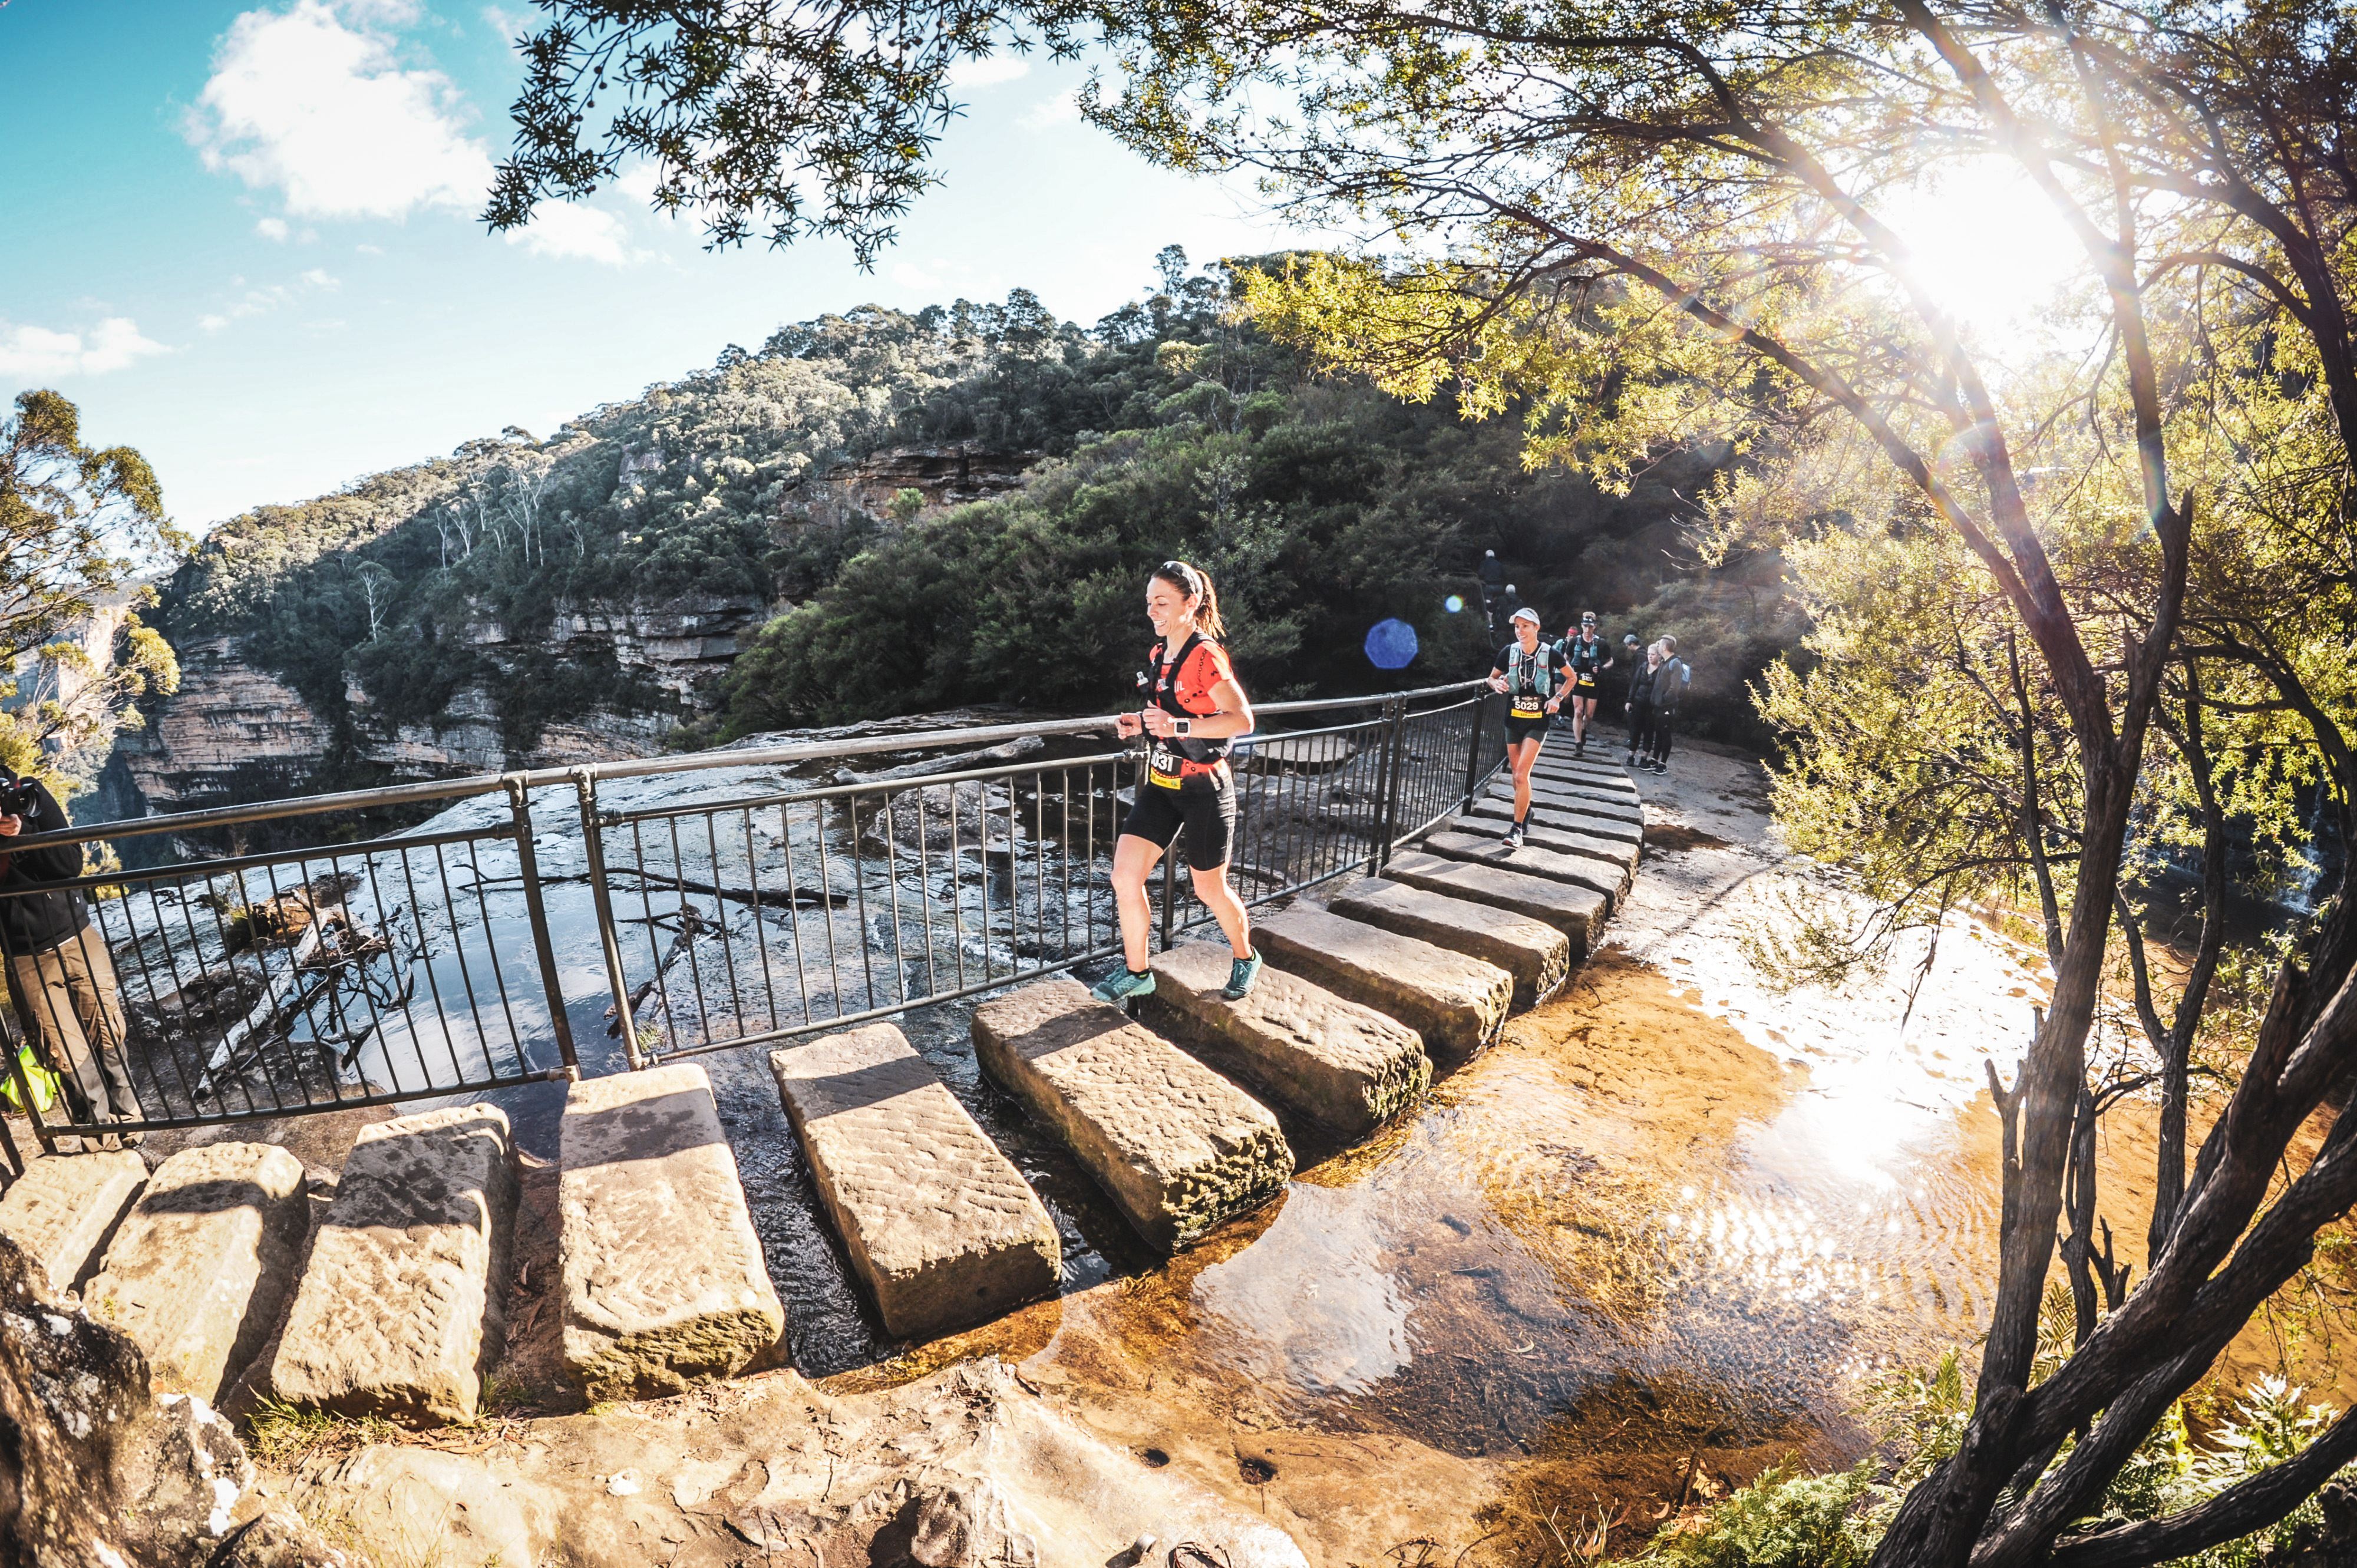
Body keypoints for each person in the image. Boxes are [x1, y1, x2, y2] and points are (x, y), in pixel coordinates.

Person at [1095, 561, 1263, 1006]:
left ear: (1191, 604)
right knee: (1124, 877)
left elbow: (1242, 721)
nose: (1152, 611)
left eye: (1162, 602)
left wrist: (1176, 727)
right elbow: (1167, 714)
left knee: (1209, 889)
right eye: (1149, 602)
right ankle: (1138, 972)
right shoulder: (1158, 655)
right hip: (1162, 784)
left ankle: (1246, 957)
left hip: (1206, 789)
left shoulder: (1206, 656)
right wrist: (1141, 724)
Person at [0, 773, 136, 1148]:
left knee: (107, 1031)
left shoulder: (27, 795)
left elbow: (69, 863)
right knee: (63, 1051)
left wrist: (24, 832)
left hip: (79, 938)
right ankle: (99, 1141)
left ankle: (133, 1127)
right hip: (26, 955)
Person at [1487, 607, 1567, 849]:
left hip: (1537, 722)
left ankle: (1517, 830)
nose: (1520, 631)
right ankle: (1527, 810)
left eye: (1525, 626)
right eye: (1517, 627)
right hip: (1513, 720)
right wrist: (1495, 684)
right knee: (1516, 776)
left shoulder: (1550, 653)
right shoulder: (1508, 652)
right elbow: (1491, 677)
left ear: (1536, 628)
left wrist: (1557, 698)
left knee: (1522, 775)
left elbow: (1572, 677)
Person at [1560, 610, 1615, 754]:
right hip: (1578, 680)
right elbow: (1565, 659)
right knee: (1578, 711)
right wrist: (1569, 673)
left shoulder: (1601, 643)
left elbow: (1610, 661)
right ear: (1582, 626)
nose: (1588, 629)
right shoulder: (1574, 641)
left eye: (1590, 627)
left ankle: (1583, 729)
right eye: (1585, 626)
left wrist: (1602, 668)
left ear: (1595, 627)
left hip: (1593, 682)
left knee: (1589, 715)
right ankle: (1578, 744)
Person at [1644, 635, 1690, 773]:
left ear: (1664, 647)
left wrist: (1663, 700)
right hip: (1659, 705)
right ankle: (1654, 760)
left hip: (1668, 706)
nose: (1657, 646)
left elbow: (1675, 688)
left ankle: (1663, 764)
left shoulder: (1675, 663)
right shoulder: (1665, 662)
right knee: (1659, 732)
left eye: (1659, 645)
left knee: (1665, 733)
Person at [1625, 641, 1659, 768]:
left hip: (1652, 705)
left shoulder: (1661, 670)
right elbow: (1635, 684)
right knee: (1635, 730)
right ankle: (1631, 756)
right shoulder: (1643, 667)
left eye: (1653, 654)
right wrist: (1629, 700)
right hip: (1639, 701)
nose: (1650, 657)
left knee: (1649, 731)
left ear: (1659, 655)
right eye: (1649, 654)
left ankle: (1644, 758)